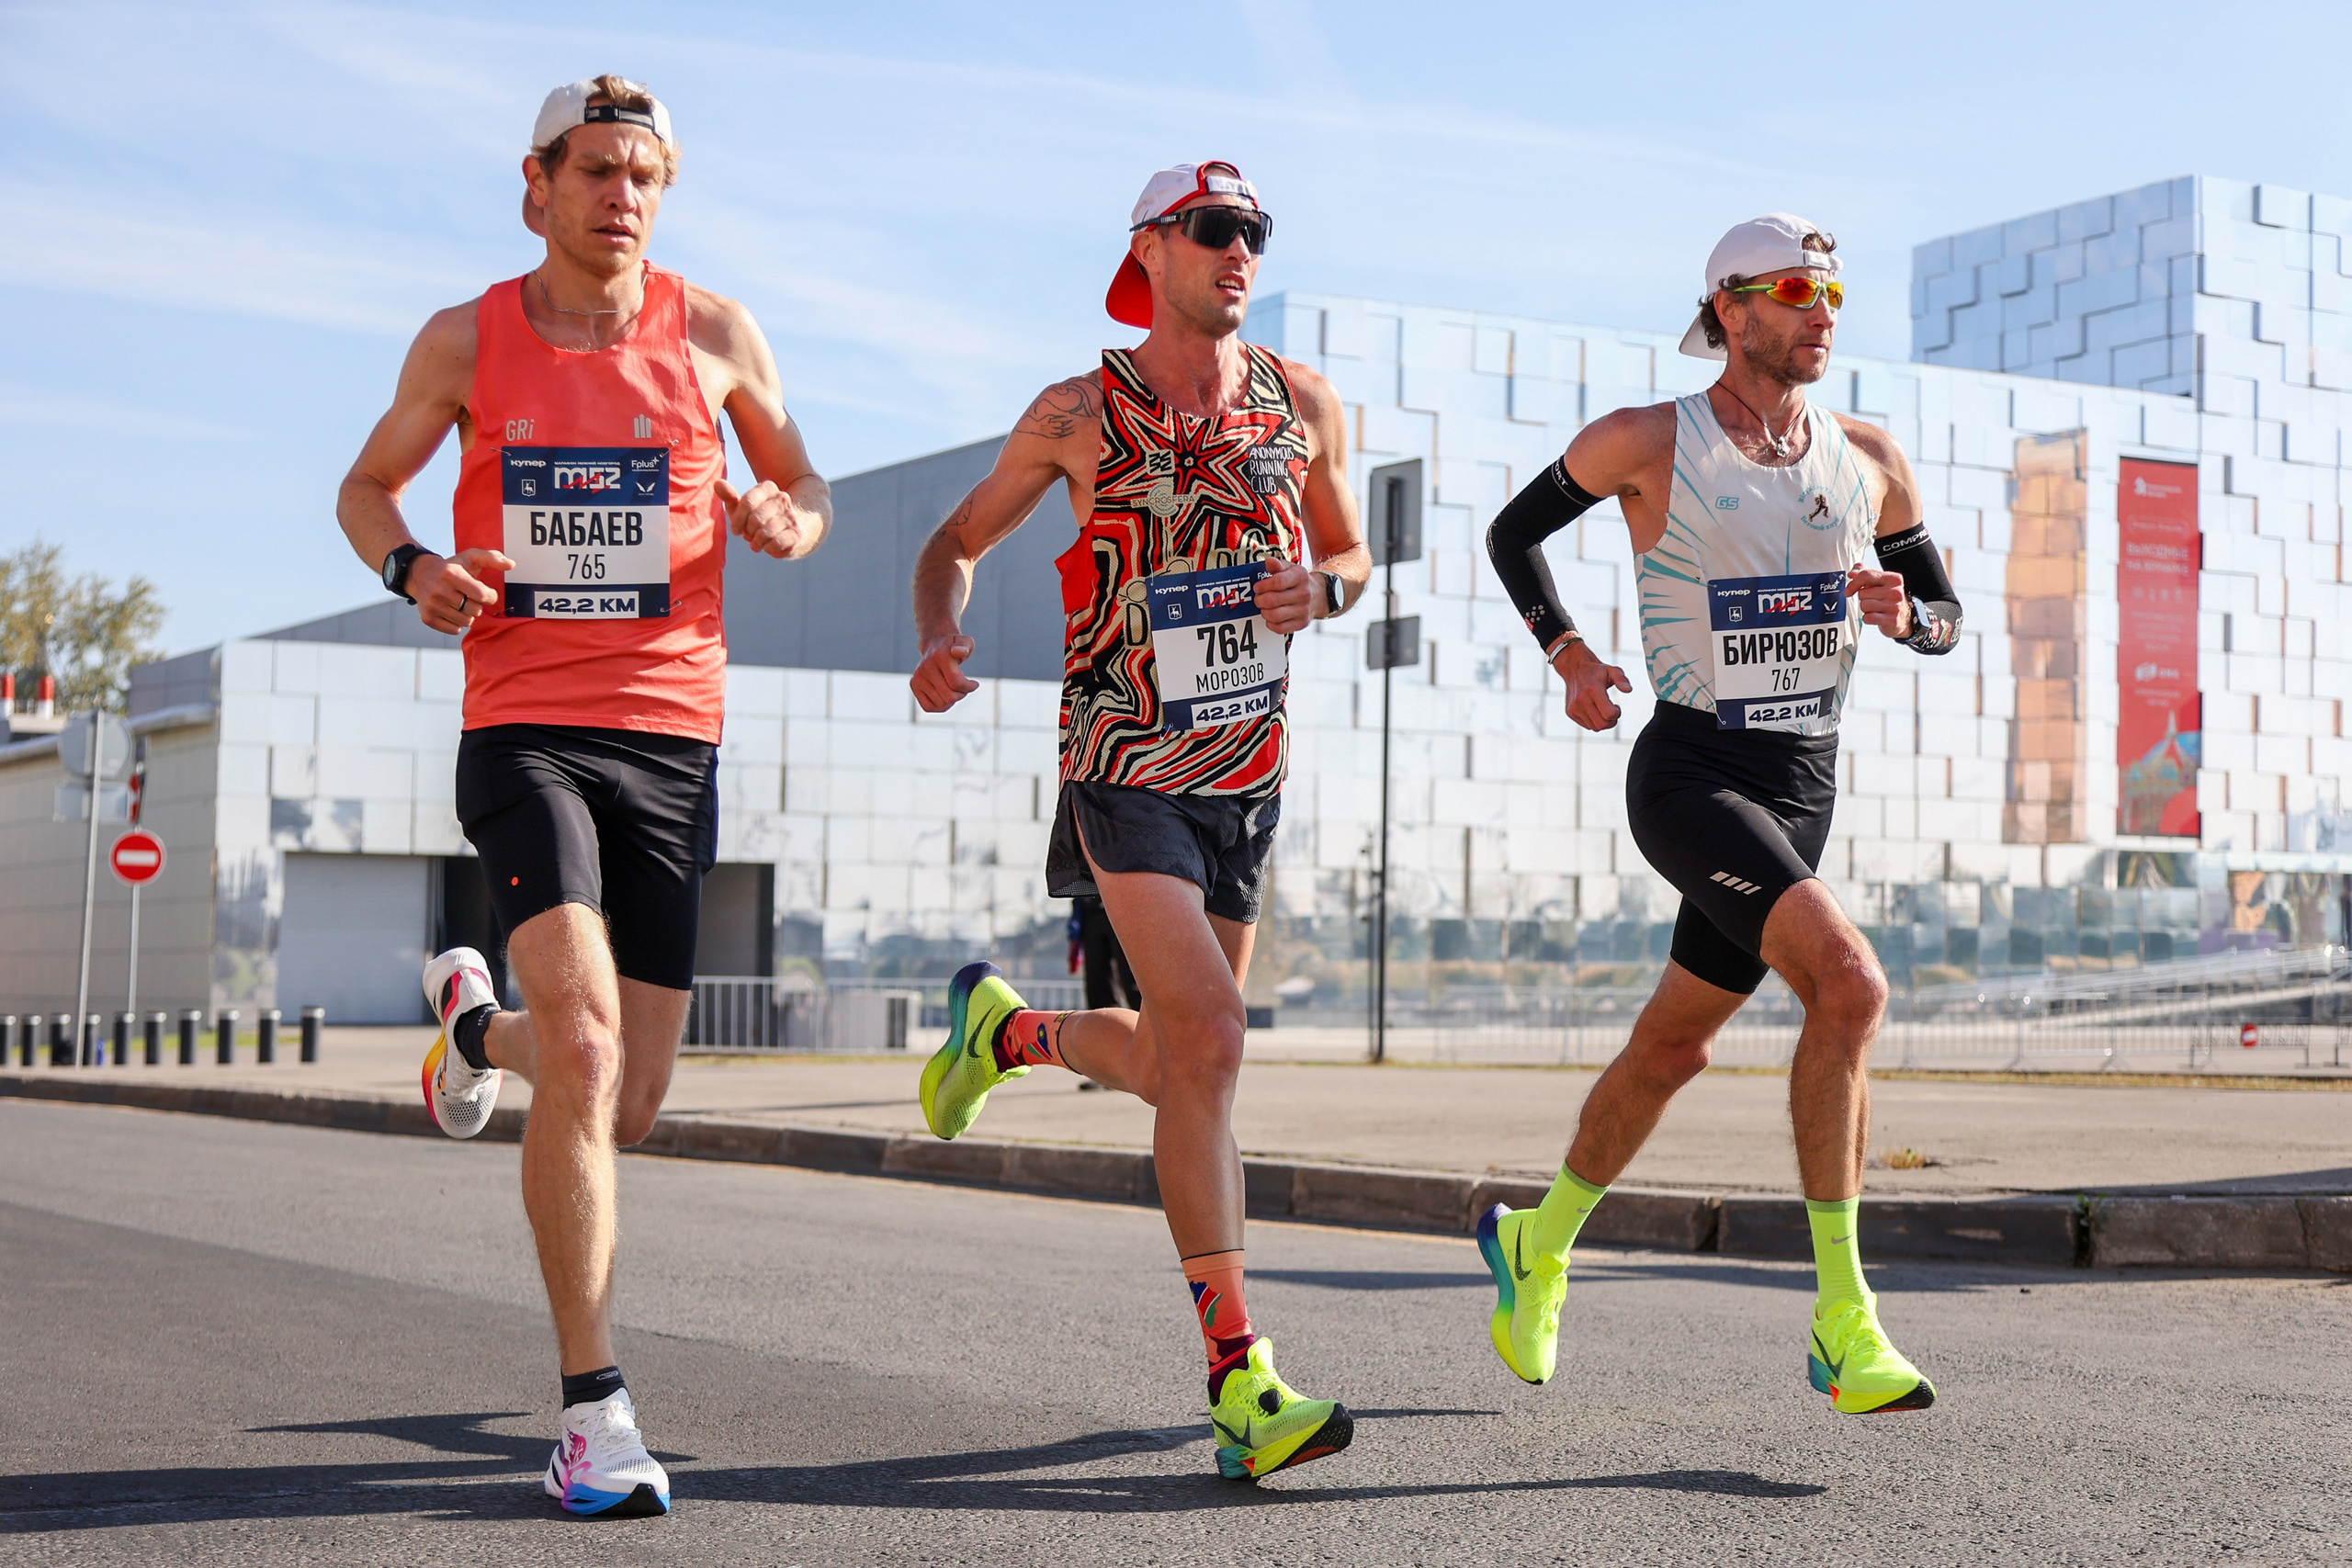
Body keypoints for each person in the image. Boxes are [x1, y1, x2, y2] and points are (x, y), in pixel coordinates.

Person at [334, 75, 830, 1516]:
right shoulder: (466, 338)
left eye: (647, 174)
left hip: (673, 738)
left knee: (632, 1099)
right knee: (593, 1043)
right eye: (598, 170)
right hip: (525, 726)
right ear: (536, 184)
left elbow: (802, 486)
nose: (624, 195)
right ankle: (593, 1411)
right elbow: (369, 487)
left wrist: (784, 519)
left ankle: (468, 1029)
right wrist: (414, 568)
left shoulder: (718, 333)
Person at [908, 162, 1371, 1481]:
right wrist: (942, 632)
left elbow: (1348, 556)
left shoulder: (1305, 402)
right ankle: (1240, 1377)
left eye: (1256, 234)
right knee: (1217, 1041)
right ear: (1152, 250)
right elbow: (954, 539)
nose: (1242, 252)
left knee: (1185, 1065)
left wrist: (1320, 595)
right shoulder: (1078, 410)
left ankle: (1013, 1033)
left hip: (1250, 771)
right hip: (1125, 761)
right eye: (1218, 231)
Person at [1479, 214, 1962, 1415]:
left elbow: (1946, 614)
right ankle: (1844, 1323)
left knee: (1674, 1049)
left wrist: (1908, 618)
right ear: (1730, 308)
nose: (1822, 308)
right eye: (1797, 288)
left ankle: (1539, 1243)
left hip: (1805, 781)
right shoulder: (1651, 439)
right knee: (1848, 984)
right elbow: (1514, 534)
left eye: (1832, 289)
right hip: (1693, 775)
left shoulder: (1869, 455)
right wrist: (1572, 655)